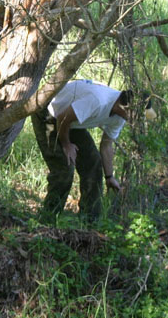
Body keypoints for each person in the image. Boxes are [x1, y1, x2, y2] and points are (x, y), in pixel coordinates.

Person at [32, 80, 153, 223]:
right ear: (128, 108)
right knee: (64, 169)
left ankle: (89, 221)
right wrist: (66, 144)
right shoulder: (98, 101)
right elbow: (63, 117)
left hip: (71, 120)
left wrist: (109, 176)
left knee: (93, 164)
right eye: (138, 116)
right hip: (48, 113)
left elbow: (106, 145)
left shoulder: (119, 116)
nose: (139, 121)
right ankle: (47, 220)